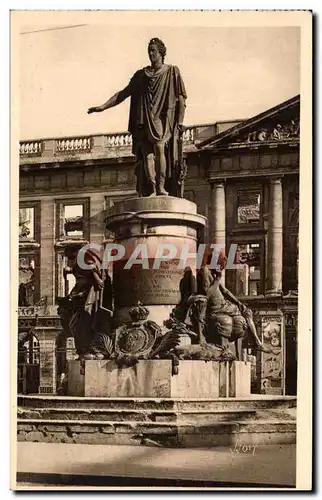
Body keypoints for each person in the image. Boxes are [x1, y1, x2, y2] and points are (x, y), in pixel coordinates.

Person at [88, 38, 187, 197]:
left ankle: (161, 187)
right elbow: (123, 93)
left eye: (153, 50)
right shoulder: (142, 75)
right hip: (144, 118)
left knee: (160, 146)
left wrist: (180, 121)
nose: (150, 54)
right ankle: (153, 188)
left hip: (161, 118)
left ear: (161, 52)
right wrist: (102, 107)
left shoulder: (171, 71)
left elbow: (181, 99)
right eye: (149, 51)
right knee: (147, 153)